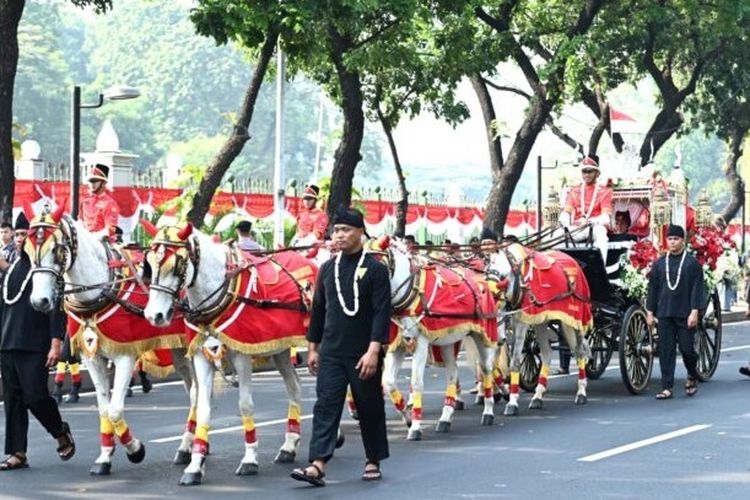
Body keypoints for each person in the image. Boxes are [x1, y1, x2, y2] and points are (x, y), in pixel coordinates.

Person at [290, 207, 391, 487]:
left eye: (346, 230)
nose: (340, 235)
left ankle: (373, 459)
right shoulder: (326, 269)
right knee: (326, 405)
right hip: (331, 352)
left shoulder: (376, 270)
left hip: (363, 352)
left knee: (368, 406)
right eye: (336, 230)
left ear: (360, 233)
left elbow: (382, 312)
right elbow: (319, 311)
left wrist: (374, 351)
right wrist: (313, 348)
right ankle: (318, 464)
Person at [1, 212, 75, 470]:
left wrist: (56, 343)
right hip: (7, 343)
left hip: (35, 344)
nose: (21, 239)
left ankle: (60, 432)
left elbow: (57, 308)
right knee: (12, 401)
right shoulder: (11, 271)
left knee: (35, 397)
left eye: (25, 235)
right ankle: (17, 452)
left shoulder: (44, 268)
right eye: (18, 235)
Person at [646, 224, 706, 400]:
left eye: (676, 239)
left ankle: (692, 374)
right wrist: (650, 312)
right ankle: (667, 387)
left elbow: (697, 289)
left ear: (683, 240)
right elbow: (653, 289)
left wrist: (695, 311)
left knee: (687, 350)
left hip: (685, 313)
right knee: (666, 350)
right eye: (670, 239)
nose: (672, 242)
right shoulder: (659, 264)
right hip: (665, 313)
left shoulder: (692, 264)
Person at [559, 155, 613, 263]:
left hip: (594, 227)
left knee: (602, 233)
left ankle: (600, 269)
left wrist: (591, 221)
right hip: (577, 227)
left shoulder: (605, 191)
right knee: (556, 235)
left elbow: (606, 217)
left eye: (590, 171)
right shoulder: (575, 190)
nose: (587, 174)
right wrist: (563, 219)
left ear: (597, 173)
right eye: (584, 171)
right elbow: (567, 211)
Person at [80, 163, 120, 240]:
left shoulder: (110, 203)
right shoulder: (84, 201)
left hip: (103, 241)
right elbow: (80, 221)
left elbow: (112, 228)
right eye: (90, 181)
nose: (92, 184)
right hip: (86, 240)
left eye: (95, 181)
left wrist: (93, 237)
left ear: (104, 183)